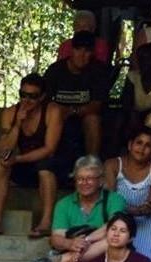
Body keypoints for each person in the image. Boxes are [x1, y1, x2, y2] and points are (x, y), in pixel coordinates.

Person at [0, 73, 63, 237]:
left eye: (33, 96)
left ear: (42, 97)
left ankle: (45, 222)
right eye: (23, 95)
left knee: (45, 167)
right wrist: (17, 125)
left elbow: (49, 149)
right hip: (25, 163)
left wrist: (17, 159)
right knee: (0, 164)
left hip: (51, 164)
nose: (26, 100)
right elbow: (4, 149)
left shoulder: (52, 111)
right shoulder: (11, 112)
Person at [50, 154, 126, 262]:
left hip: (108, 256)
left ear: (101, 180)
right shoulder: (64, 204)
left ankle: (61, 259)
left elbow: (113, 227)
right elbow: (56, 238)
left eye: (90, 178)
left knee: (114, 237)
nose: (84, 183)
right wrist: (70, 243)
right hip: (76, 253)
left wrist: (85, 241)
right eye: (80, 179)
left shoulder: (115, 200)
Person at [42, 32, 111, 170]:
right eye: (78, 50)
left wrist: (73, 110)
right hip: (58, 118)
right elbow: (45, 101)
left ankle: (92, 166)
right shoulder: (55, 71)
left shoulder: (97, 72)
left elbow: (97, 104)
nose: (82, 55)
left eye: (87, 51)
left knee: (93, 120)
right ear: (71, 51)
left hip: (83, 117)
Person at [106, 126, 151, 262]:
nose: (142, 148)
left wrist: (124, 208)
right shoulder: (113, 164)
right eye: (139, 143)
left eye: (148, 145)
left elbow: (150, 206)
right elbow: (109, 201)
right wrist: (135, 210)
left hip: (145, 223)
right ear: (130, 144)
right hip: (116, 222)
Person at [113, 43, 151, 150]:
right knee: (122, 117)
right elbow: (127, 103)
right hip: (135, 116)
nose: (143, 63)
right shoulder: (132, 77)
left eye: (147, 59)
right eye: (140, 59)